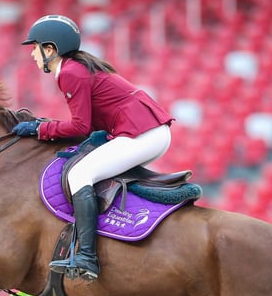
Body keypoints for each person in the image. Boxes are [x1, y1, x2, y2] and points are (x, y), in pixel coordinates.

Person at [13, 14, 175, 281]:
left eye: (35, 48)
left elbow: (79, 127)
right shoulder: (76, 66)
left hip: (142, 133)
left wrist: (40, 129)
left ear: (50, 49)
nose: (32, 55)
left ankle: (87, 256)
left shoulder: (70, 71)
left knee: (80, 175)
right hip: (147, 131)